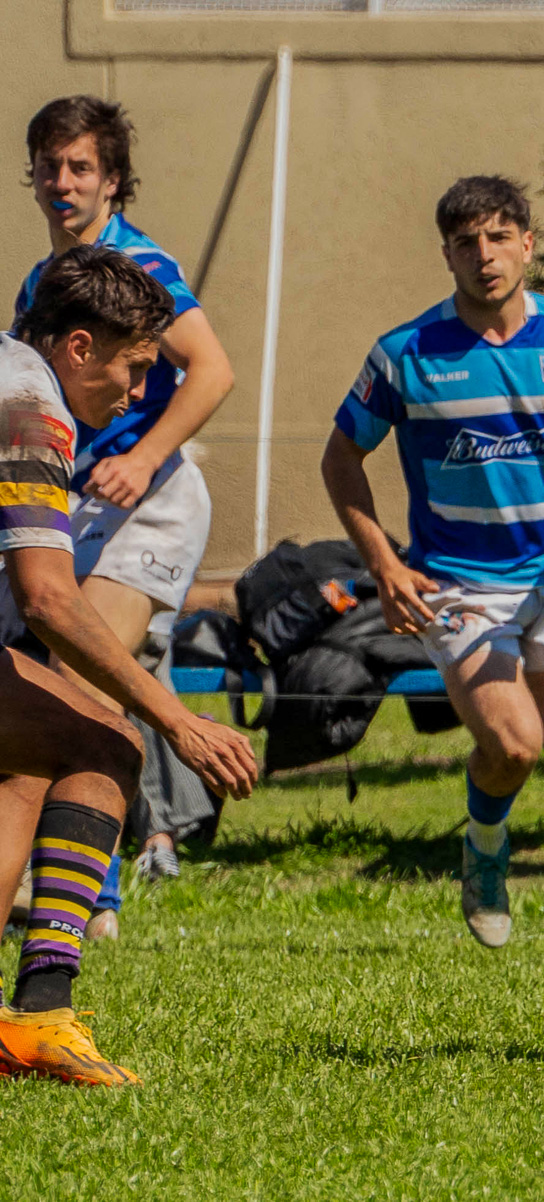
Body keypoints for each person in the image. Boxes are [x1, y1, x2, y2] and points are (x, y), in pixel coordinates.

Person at [321, 176, 544, 956]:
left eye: (499, 237)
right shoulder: (406, 354)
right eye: (467, 242)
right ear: (447, 255)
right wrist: (386, 566)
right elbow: (340, 461)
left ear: (528, 244)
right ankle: (485, 849)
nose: (484, 255)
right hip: (458, 582)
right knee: (514, 745)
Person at [0, 245, 257, 1084]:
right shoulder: (31, 406)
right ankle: (41, 1014)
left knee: (23, 754)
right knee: (108, 743)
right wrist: (177, 717)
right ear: (78, 347)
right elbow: (49, 599)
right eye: (136, 367)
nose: (141, 392)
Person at [16, 96, 236, 932]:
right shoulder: (43, 282)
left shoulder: (143, 265)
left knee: (76, 675)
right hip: (71, 503)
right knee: (41, 681)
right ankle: (59, 886)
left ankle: (86, 899)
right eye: (49, 165)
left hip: (150, 501)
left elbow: (213, 371)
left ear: (113, 181)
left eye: (80, 167)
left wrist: (143, 458)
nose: (61, 181)